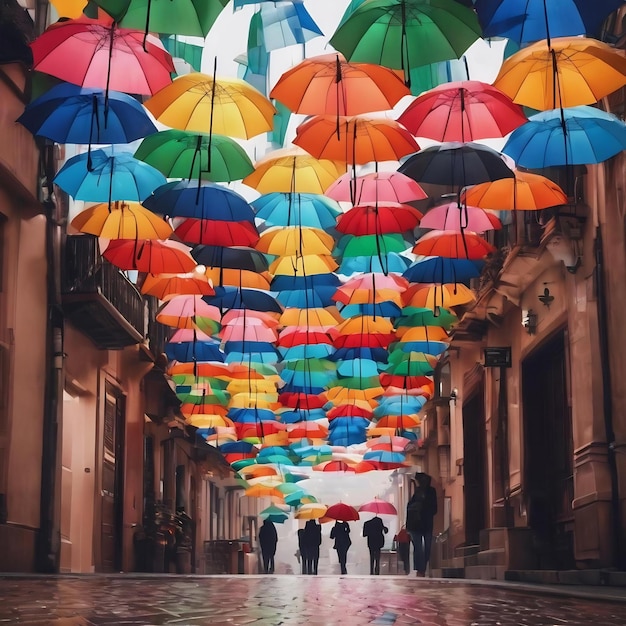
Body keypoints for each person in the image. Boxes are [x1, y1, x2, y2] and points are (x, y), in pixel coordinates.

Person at [406, 472, 438, 577]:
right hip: (424, 524)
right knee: (424, 547)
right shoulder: (425, 491)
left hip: (418, 525)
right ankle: (422, 568)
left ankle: (421, 568)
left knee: (419, 547)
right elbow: (434, 509)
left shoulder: (418, 492)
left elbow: (409, 508)